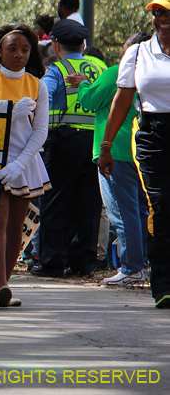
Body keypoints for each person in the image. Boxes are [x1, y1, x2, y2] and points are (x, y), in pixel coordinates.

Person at [99, 0, 170, 308]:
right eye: (157, 12)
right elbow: (122, 100)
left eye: (167, 12)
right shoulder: (138, 53)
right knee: (161, 206)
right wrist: (106, 146)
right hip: (152, 134)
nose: (161, 18)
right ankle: (163, 285)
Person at [0, 24, 50, 307]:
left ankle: (2, 286)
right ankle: (1, 284)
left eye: (25, 50)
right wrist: (9, 114)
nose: (19, 55)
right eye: (12, 49)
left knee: (17, 225)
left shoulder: (38, 85)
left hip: (24, 163)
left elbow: (41, 131)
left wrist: (19, 164)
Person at [70, 31, 151, 287]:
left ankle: (131, 267)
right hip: (140, 150)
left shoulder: (117, 72)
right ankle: (142, 265)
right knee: (139, 211)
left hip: (114, 151)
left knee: (122, 213)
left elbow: (89, 100)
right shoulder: (149, 74)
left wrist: (83, 83)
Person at [31, 19, 106, 279]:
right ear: (83, 45)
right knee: (89, 203)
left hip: (65, 141)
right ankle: (83, 262)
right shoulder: (99, 67)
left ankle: (52, 262)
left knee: (56, 202)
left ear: (55, 46)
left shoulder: (58, 70)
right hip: (96, 142)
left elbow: (42, 99)